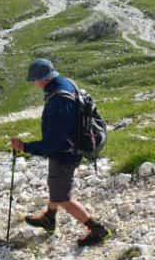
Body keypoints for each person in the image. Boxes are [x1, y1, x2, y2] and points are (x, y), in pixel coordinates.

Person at [10, 58, 110, 247]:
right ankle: (49, 217)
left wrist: (25, 147)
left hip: (65, 154)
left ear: (43, 79)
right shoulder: (65, 83)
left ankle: (96, 229)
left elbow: (53, 143)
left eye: (34, 80)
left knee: (62, 197)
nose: (34, 84)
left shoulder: (58, 102)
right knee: (56, 185)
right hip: (72, 147)